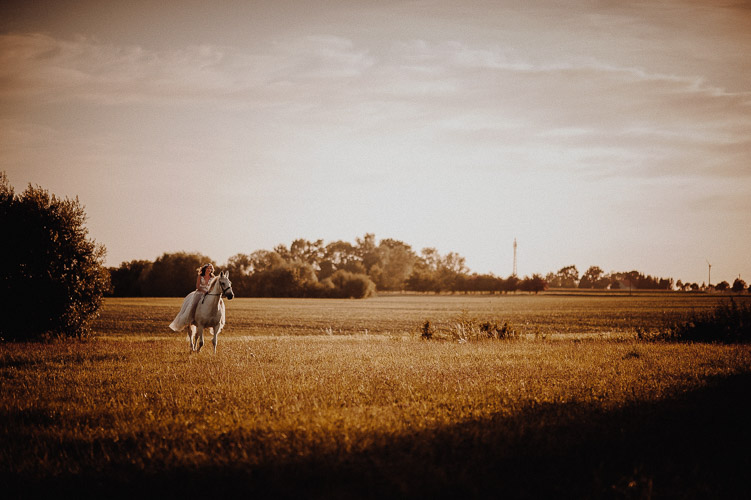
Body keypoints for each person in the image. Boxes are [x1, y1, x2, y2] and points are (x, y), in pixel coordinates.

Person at [169, 264, 215, 331]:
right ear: (205, 269)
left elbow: (214, 287)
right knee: (194, 304)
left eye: (210, 268)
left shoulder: (213, 277)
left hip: (209, 294)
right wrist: (204, 292)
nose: (209, 270)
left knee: (218, 303)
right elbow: (198, 287)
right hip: (200, 293)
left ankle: (214, 320)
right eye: (208, 268)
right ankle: (191, 318)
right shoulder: (200, 276)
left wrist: (210, 293)